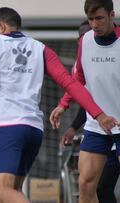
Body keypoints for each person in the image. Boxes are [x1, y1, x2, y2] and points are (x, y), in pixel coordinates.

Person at [0, 7, 118, 203]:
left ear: (1, 26)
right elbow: (70, 83)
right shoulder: (40, 48)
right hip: (33, 130)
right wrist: (99, 115)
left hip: (4, 124)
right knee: (10, 193)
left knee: (0, 191)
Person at [50, 0, 120, 202]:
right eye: (91, 19)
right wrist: (64, 104)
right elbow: (78, 79)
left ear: (112, 15)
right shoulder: (85, 41)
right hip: (97, 125)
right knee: (86, 184)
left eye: (99, 18)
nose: (95, 24)